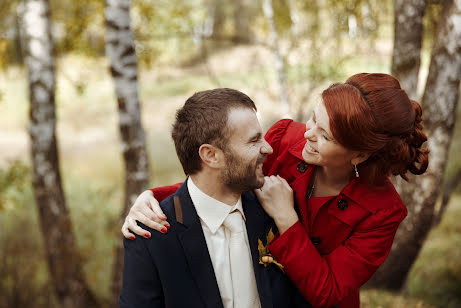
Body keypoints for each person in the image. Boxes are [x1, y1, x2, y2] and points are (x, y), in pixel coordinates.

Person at [122, 73, 429, 308]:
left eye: (324, 135)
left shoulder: (383, 210)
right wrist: (155, 197)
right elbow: (228, 176)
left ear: (359, 155)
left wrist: (286, 219)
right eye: (313, 118)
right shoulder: (285, 140)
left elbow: (330, 292)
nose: (307, 132)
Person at [119, 88, 312, 308]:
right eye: (254, 140)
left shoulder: (279, 209)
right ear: (211, 155)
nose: (268, 148)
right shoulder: (152, 237)